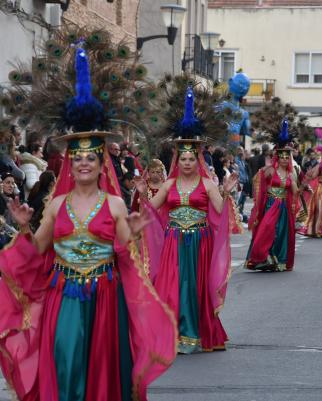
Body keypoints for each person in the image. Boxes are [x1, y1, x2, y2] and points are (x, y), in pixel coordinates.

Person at [0, 44, 176, 401]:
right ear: (68, 163)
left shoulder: (114, 203)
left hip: (105, 296)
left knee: (102, 367)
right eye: (75, 158)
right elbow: (40, 250)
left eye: (89, 158)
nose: (82, 164)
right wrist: (23, 228)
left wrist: (135, 234)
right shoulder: (57, 204)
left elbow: (124, 250)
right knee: (64, 360)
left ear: (100, 163)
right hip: (64, 295)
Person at [135, 87, 241, 354]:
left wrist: (226, 190)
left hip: (199, 241)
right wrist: (142, 193)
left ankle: (196, 333)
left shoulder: (207, 183)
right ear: (177, 159)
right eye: (182, 158)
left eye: (191, 158)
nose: (186, 162)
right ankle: (173, 333)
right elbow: (152, 207)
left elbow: (218, 208)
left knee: (194, 287)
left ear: (198, 159)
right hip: (173, 240)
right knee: (172, 285)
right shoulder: (169, 183)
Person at [245, 119, 298, 272]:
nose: (284, 159)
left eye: (287, 157)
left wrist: (305, 187)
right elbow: (258, 181)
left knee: (280, 233)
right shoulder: (269, 171)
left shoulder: (290, 174)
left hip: (283, 207)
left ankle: (276, 260)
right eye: (281, 157)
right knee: (267, 230)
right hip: (270, 205)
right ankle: (262, 257)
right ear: (277, 157)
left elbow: (295, 191)